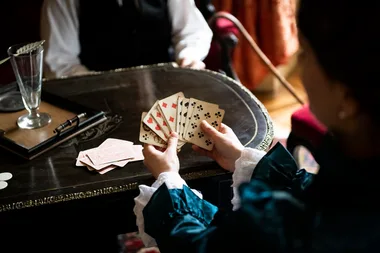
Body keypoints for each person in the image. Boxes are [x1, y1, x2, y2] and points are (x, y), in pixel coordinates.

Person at [133, 0, 380, 252]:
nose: (301, 68)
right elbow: (317, 192)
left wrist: (168, 180)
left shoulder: (295, 229)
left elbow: (200, 247)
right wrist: (244, 158)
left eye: (305, 54)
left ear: (347, 100)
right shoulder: (357, 177)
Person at [40, 0, 212, 78]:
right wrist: (108, 85)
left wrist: (188, 56)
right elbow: (59, 63)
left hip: (164, 87)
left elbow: (192, 30)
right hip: (99, 102)